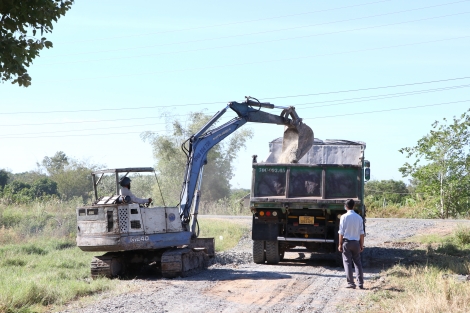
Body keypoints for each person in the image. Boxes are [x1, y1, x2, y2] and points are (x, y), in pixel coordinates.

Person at [338, 199, 364, 289]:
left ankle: (351, 283)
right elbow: (362, 233)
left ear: (346, 206)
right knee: (358, 263)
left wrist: (340, 244)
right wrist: (361, 244)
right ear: (354, 206)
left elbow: (341, 232)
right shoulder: (359, 217)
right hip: (356, 243)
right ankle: (360, 283)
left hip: (347, 242)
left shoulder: (343, 217)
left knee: (347, 263)